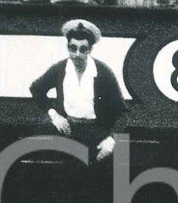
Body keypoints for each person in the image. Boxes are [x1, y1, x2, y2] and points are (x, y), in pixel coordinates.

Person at [29, 19, 126, 163]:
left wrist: (111, 139)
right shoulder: (60, 69)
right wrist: (55, 115)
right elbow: (36, 89)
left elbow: (122, 112)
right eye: (73, 48)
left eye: (83, 49)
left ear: (90, 49)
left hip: (96, 131)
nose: (77, 54)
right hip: (68, 129)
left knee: (102, 163)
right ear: (68, 47)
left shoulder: (103, 72)